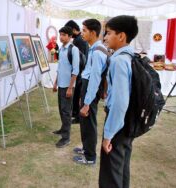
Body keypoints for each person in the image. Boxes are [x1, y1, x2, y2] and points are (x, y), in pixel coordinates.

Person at [99, 15, 138, 188]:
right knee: (122, 167)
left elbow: (120, 101)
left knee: (111, 172)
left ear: (121, 36)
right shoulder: (131, 56)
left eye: (108, 33)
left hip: (118, 123)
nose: (105, 37)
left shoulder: (118, 60)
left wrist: (108, 135)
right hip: (128, 121)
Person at [73, 19, 107, 165]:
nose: (82, 33)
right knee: (84, 121)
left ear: (93, 33)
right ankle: (86, 148)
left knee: (89, 122)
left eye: (85, 30)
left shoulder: (98, 52)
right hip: (86, 87)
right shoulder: (93, 48)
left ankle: (90, 157)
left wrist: (87, 102)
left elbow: (95, 80)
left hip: (90, 89)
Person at [52, 26, 79, 148]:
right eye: (60, 34)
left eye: (63, 35)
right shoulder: (62, 49)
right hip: (61, 84)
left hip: (68, 86)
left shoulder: (73, 50)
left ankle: (66, 138)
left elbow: (75, 70)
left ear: (69, 36)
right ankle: (63, 129)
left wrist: (70, 87)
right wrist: (55, 83)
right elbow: (60, 68)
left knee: (66, 111)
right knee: (61, 109)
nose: (61, 37)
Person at [64, 20, 89, 124]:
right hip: (81, 71)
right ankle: (75, 114)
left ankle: (77, 116)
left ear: (74, 30)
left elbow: (79, 59)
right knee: (78, 94)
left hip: (80, 72)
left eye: (70, 32)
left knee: (78, 94)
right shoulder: (80, 39)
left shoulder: (79, 41)